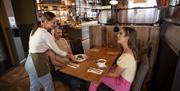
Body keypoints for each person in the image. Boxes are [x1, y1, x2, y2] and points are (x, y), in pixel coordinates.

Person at [25, 11, 76, 91]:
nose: (55, 24)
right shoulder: (45, 34)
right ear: (45, 21)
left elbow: (45, 43)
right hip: (38, 63)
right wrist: (70, 56)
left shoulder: (35, 30)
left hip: (29, 61)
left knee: (35, 86)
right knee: (49, 86)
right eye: (53, 22)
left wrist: (52, 34)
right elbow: (57, 50)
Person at [89, 27, 138, 91]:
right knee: (106, 68)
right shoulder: (128, 50)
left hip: (122, 86)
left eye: (120, 33)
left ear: (127, 38)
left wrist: (100, 72)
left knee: (96, 77)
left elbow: (115, 75)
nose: (117, 35)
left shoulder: (126, 56)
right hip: (125, 82)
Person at [49, 26, 85, 91]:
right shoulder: (51, 44)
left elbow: (70, 53)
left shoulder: (64, 40)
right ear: (53, 32)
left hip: (69, 65)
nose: (60, 34)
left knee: (83, 76)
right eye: (58, 33)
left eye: (61, 32)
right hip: (59, 70)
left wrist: (73, 60)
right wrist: (65, 65)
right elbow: (53, 61)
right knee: (76, 83)